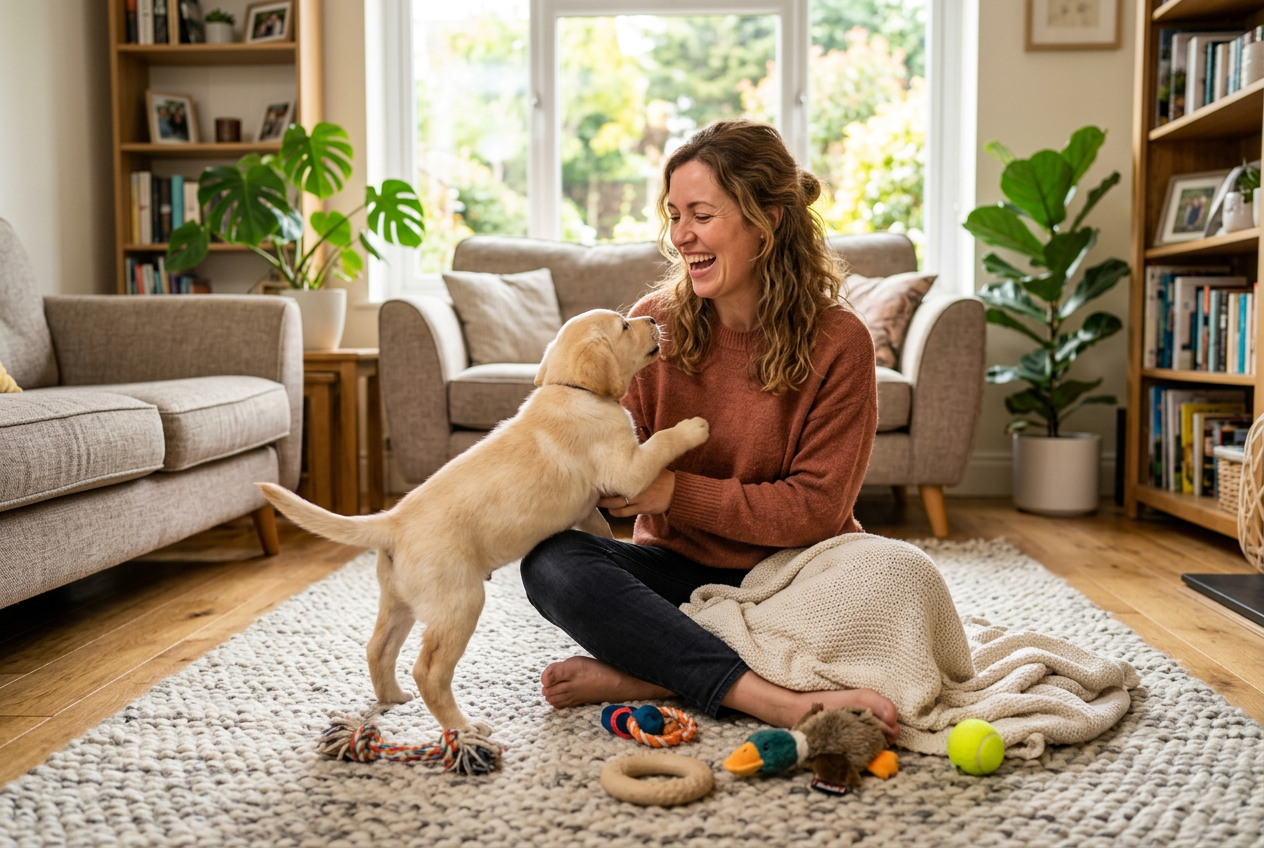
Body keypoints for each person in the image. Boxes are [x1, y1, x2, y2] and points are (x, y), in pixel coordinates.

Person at [519, 119, 900, 740]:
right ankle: (772, 698)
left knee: (899, 574)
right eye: (673, 216)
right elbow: (610, 462)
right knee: (551, 562)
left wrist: (673, 493)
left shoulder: (840, 341)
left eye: (701, 214)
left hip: (797, 576)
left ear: (767, 219)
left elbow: (818, 511)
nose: (681, 236)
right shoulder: (649, 327)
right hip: (676, 570)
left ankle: (659, 671)